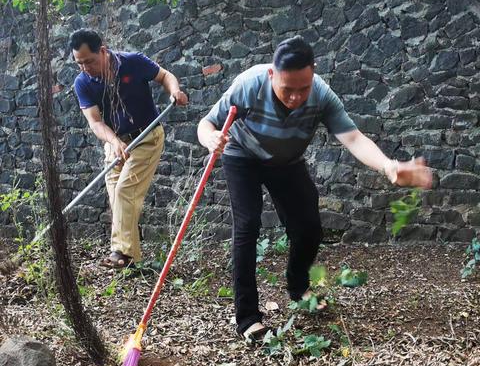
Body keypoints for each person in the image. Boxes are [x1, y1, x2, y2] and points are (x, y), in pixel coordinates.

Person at [197, 36, 432, 340]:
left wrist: (388, 165)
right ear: (272, 75)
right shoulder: (249, 85)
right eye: (287, 89)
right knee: (248, 226)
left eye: (302, 89)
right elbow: (206, 124)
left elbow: (354, 138)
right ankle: (248, 318)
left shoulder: (320, 94)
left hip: (286, 161)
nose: (296, 97)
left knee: (309, 227)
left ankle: (298, 288)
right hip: (242, 156)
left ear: (313, 73)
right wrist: (211, 139)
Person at [70, 29, 188, 268]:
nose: (85, 68)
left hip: (146, 137)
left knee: (125, 190)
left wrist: (174, 91)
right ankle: (131, 258)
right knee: (117, 198)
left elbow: (165, 75)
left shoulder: (133, 61)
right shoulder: (82, 82)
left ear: (102, 51)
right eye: (79, 63)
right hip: (115, 142)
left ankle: (121, 253)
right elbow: (95, 121)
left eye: (89, 61)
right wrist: (114, 142)